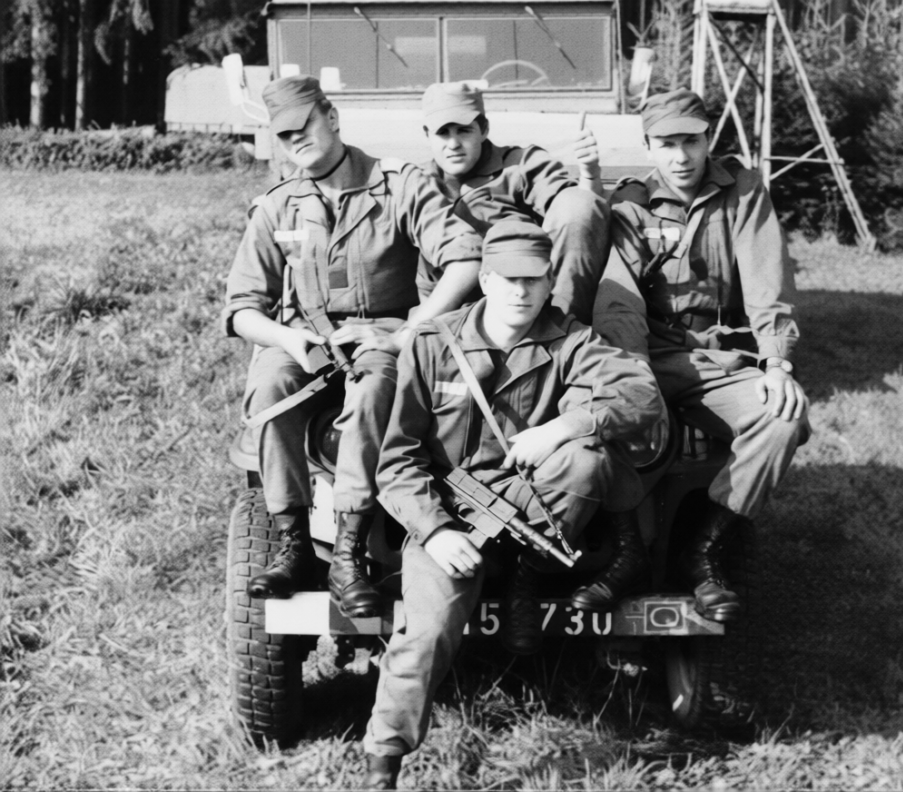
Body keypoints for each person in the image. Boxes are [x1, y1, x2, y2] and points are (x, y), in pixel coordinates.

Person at [360, 219, 668, 789]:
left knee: (585, 458)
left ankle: (525, 570)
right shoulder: (434, 344)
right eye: (508, 279)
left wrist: (564, 427)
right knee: (424, 634)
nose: (522, 292)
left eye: (534, 279)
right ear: (484, 279)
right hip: (455, 516)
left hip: (532, 508)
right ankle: (384, 763)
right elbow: (397, 463)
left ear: (550, 281)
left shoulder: (572, 340)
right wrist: (435, 532)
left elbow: (642, 395)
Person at [221, 75, 483, 619]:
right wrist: (288, 338)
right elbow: (242, 308)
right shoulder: (278, 206)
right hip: (306, 342)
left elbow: (465, 259)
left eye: (304, 127)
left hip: (382, 336)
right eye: (284, 135)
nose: (296, 141)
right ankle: (294, 544)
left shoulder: (398, 185)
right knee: (268, 387)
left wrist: (408, 331)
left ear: (332, 118)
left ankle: (347, 553)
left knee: (373, 388)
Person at [590, 87, 812, 623]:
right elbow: (619, 298)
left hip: (724, 359)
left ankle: (706, 549)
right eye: (667, 144)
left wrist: (776, 362)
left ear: (709, 139)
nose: (681, 157)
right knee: (606, 415)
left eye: (691, 141)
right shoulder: (632, 202)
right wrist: (631, 372)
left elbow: (767, 280)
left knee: (783, 420)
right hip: (655, 354)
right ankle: (628, 554)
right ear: (649, 146)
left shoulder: (742, 191)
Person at [419, 80, 610, 323]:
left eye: (464, 130)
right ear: (427, 135)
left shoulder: (520, 164)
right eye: (443, 133)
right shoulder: (418, 183)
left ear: (484, 129)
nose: (453, 144)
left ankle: (560, 327)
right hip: (450, 311)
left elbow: (578, 212)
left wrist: (589, 174)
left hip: (530, 298)